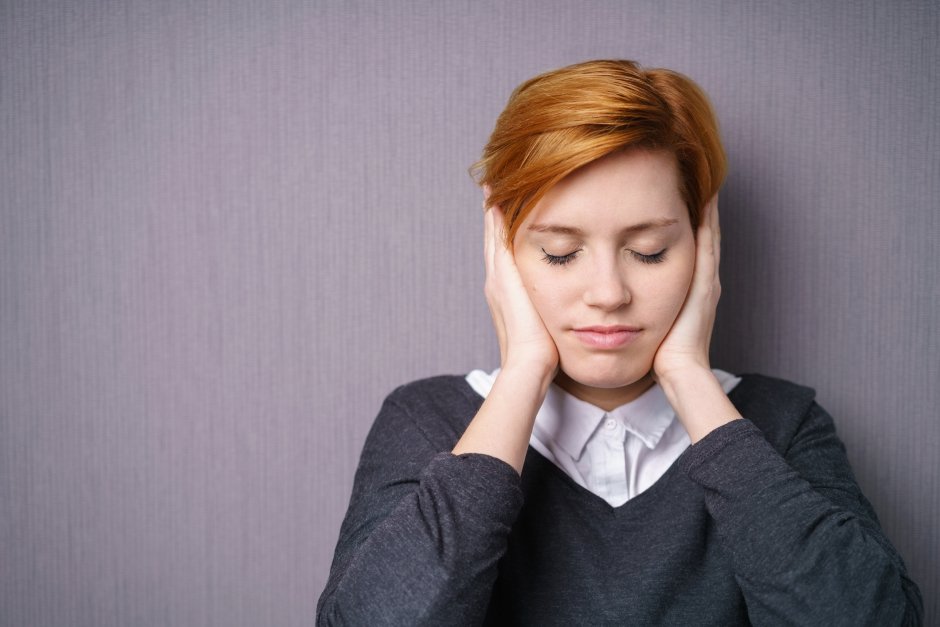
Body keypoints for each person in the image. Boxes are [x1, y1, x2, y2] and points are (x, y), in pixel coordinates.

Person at [316, 60, 923, 626]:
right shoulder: (425, 421)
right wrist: (524, 368)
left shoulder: (783, 424)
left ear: (702, 244)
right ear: (502, 250)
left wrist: (689, 375)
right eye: (560, 252)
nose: (608, 292)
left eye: (648, 251)